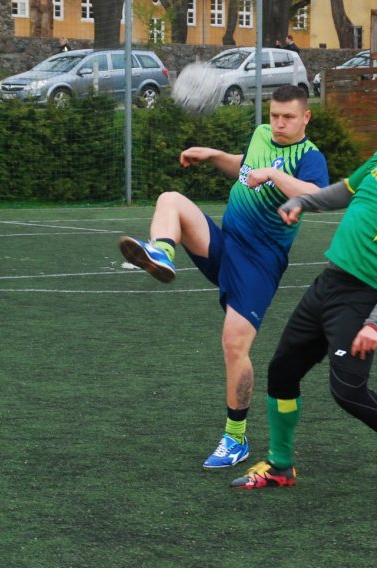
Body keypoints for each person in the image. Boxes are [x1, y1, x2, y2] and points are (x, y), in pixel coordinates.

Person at [230, 99, 377, 515]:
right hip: (328, 283)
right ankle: (280, 466)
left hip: (362, 299)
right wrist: (304, 202)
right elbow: (346, 190)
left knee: (348, 392)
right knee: (282, 372)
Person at [119, 85, 329, 469]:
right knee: (170, 199)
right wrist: (215, 155)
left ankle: (236, 438)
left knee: (234, 344)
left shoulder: (309, 157)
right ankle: (162, 253)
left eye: (288, 117)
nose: (279, 124)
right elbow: (245, 168)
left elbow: (316, 195)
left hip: (260, 262)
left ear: (306, 117)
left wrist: (273, 174)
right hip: (226, 243)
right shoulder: (261, 134)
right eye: (274, 115)